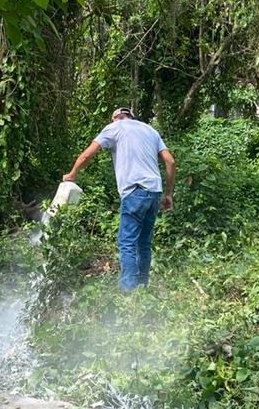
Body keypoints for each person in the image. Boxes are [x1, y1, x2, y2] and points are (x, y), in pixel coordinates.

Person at [63, 106, 175, 291]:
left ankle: (128, 294)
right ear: (131, 117)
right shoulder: (150, 130)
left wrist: (72, 173)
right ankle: (142, 289)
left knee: (127, 243)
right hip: (154, 191)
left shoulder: (114, 127)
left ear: (115, 118)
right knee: (144, 243)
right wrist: (168, 194)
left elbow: (88, 153)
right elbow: (170, 161)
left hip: (134, 191)